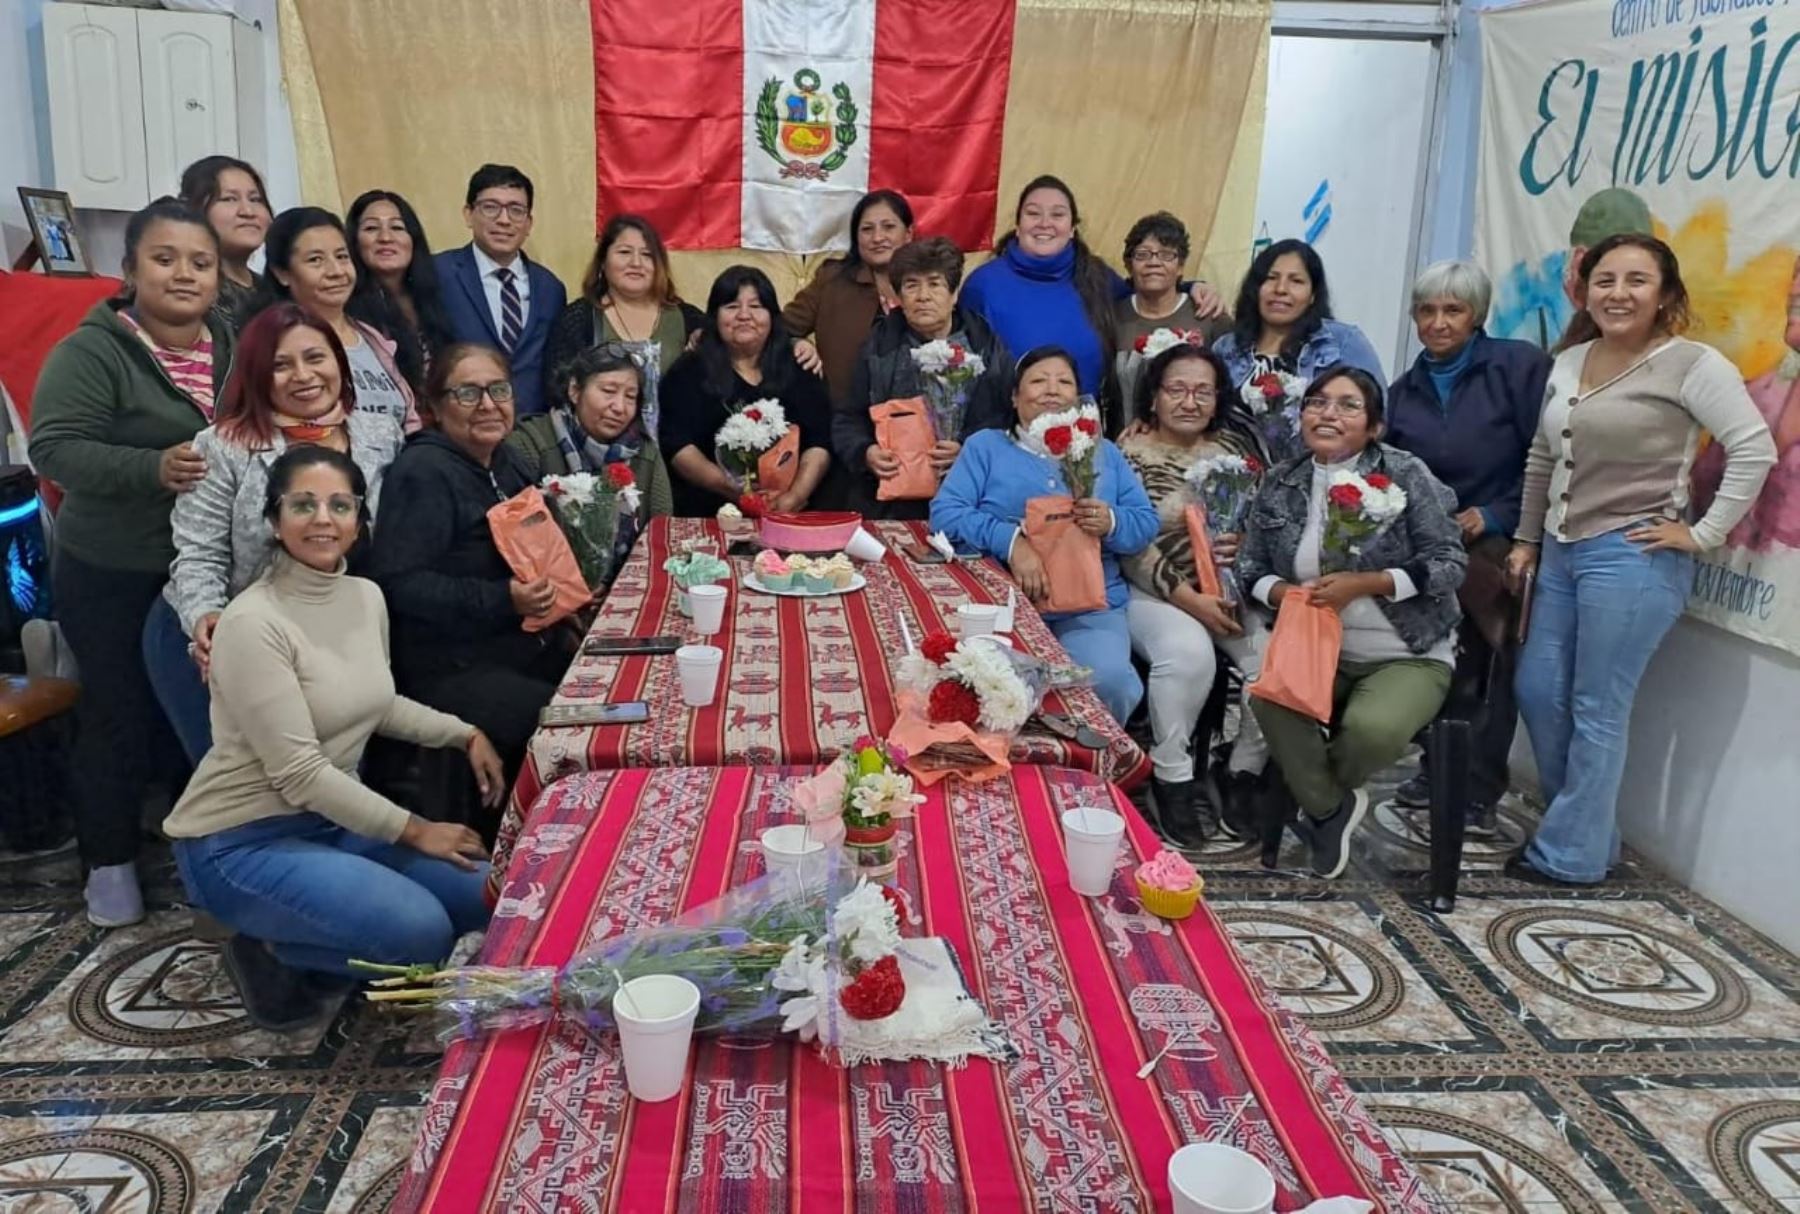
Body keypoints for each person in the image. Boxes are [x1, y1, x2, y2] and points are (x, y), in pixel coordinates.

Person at [164, 445, 500, 1031]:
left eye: (340, 504)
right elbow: (298, 772)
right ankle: (269, 946)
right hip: (244, 841)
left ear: (359, 520)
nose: (323, 518)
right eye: (304, 504)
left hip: (336, 824)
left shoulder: (364, 597)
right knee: (420, 935)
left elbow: (374, 701)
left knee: (489, 897)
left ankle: (323, 929)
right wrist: (418, 830)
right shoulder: (252, 623)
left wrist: (465, 733)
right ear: (273, 519)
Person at [1507, 234, 1776, 887]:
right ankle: (1590, 835)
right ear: (1586, 289)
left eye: (1636, 281)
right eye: (1606, 280)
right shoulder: (1570, 360)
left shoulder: (1691, 364)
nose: (1618, 294)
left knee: (1599, 706)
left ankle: (1569, 855)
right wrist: (1526, 539)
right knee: (1538, 690)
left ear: (1665, 295)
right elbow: (1545, 457)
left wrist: (1704, 533)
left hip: (1632, 559)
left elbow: (1754, 449)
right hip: (1564, 553)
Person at [30, 198, 236, 927]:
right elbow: (52, 449)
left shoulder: (232, 340)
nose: (184, 274)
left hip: (205, 566)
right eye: (165, 258)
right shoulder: (95, 350)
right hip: (115, 566)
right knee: (118, 714)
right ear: (130, 270)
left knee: (202, 708)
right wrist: (152, 467)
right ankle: (108, 865)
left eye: (200, 262)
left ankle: (204, 854)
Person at [145, 304, 407, 764]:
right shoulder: (223, 445)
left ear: (339, 363)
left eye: (315, 357)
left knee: (335, 780)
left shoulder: (380, 434)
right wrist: (206, 617)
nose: (303, 375)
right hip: (222, 635)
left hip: (327, 639)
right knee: (241, 790)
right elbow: (198, 554)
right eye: (281, 365)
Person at [1239, 367, 1467, 879]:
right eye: (1317, 402)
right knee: (1267, 697)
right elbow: (1248, 569)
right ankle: (1330, 809)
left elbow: (1450, 565)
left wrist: (1368, 584)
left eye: (1347, 406)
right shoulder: (1281, 481)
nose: (1328, 414)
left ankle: (1315, 798)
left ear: (1374, 427)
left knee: (1373, 730)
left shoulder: (1405, 475)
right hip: (1317, 648)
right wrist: (1283, 593)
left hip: (1406, 650)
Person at [1384, 260, 1551, 837]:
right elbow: (1393, 474)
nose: (1438, 322)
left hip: (1503, 542)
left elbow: (1546, 454)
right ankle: (1436, 769)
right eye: (1427, 310)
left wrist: (1498, 515)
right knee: (1439, 659)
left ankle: (1477, 787)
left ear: (1476, 314)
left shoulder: (1518, 368)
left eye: (1452, 310)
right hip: (1433, 545)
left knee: (1491, 664)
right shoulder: (1401, 394)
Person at [369, 344, 568, 800]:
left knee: (614, 686)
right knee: (568, 717)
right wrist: (504, 599)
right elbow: (399, 584)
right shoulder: (424, 472)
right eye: (468, 393)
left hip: (519, 646)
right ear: (435, 406)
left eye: (499, 389)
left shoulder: (508, 459)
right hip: (453, 667)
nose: (488, 405)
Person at [931, 346, 1159, 724]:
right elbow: (945, 513)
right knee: (986, 686)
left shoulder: (1103, 453)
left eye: (1064, 382)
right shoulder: (986, 447)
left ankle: (1089, 773)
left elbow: (1144, 524)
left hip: (1088, 607)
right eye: (1038, 380)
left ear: (1079, 399)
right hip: (1000, 601)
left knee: (1110, 681)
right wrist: (1012, 541)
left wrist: (1111, 522)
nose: (1052, 390)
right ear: (1015, 396)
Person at [1120, 342, 1268, 846]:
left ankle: (1240, 772)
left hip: (1228, 591)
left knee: (1274, 665)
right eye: (1177, 389)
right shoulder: (1127, 455)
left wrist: (1246, 545)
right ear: (1154, 398)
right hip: (1154, 593)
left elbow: (1267, 527)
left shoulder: (1236, 455)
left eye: (1203, 391)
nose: (1190, 401)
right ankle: (1172, 776)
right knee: (1188, 655)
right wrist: (1190, 600)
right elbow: (1128, 546)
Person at [959, 176, 1223, 426]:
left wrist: (1190, 287)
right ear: (1017, 226)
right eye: (1033, 213)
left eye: (1058, 214)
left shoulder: (1097, 277)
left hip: (1084, 438)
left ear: (1072, 228)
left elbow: (1145, 294)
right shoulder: (982, 286)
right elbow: (964, 368)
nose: (1044, 223)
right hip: (1007, 434)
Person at [836, 236, 1012, 518]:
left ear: (954, 295)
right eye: (911, 285)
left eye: (934, 283)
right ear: (898, 297)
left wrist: (969, 449)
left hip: (973, 498)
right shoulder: (879, 347)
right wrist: (865, 453)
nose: (923, 296)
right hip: (891, 504)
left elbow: (1008, 421)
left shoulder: (985, 345)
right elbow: (848, 418)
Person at [659, 267, 833, 517]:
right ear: (715, 316)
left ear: (772, 316)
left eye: (756, 306)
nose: (744, 315)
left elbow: (820, 441)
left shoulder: (799, 366)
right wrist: (737, 492)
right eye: (731, 306)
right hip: (712, 511)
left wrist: (795, 496)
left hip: (790, 511)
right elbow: (677, 445)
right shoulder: (688, 370)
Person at [508, 340, 674, 581]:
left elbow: (661, 531)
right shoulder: (530, 443)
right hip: (547, 590)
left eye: (631, 397)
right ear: (575, 390)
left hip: (625, 586)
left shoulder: (644, 452)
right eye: (608, 391)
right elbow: (516, 534)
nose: (619, 407)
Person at [1212, 239, 1386, 465]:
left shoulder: (1343, 342)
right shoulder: (1227, 348)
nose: (1280, 290)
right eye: (1271, 278)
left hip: (1320, 475)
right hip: (1235, 478)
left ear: (1313, 294)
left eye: (1296, 281)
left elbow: (1376, 417)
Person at [544, 214, 706, 445]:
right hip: (595, 456)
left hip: (678, 456)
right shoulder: (578, 319)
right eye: (624, 252)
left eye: (647, 255)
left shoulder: (690, 319)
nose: (636, 263)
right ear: (603, 261)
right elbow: (557, 391)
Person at [262, 207, 420, 434]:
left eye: (342, 256)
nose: (336, 271)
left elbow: (409, 419)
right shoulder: (274, 343)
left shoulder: (371, 335)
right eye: (316, 260)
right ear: (282, 273)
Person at [435, 164, 567, 414]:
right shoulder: (439, 274)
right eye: (491, 207)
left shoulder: (551, 288)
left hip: (530, 432)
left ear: (528, 223)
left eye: (516, 210)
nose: (504, 220)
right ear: (468, 214)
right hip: (460, 426)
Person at [1692, 251, 1800, 552]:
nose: (1793, 291)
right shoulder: (1755, 393)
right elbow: (1699, 488)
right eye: (1796, 275)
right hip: (1723, 584)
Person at [784, 189, 913, 403]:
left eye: (889, 227)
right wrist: (797, 342)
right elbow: (780, 329)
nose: (878, 237)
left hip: (913, 419)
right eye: (867, 229)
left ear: (908, 234)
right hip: (841, 418)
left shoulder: (927, 281)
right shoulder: (832, 280)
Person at [1113, 211, 1232, 411]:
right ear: (1129, 265)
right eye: (1142, 255)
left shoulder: (1208, 313)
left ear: (1180, 266)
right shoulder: (1111, 317)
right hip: (1124, 437)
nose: (1154, 262)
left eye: (1166, 255)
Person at [346, 189, 455, 391]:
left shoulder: (436, 297)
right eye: (371, 228)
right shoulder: (347, 308)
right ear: (354, 242)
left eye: (397, 227)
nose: (385, 237)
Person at [179, 155, 272, 331]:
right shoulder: (191, 290)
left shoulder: (272, 288)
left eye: (255, 199)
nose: (248, 211)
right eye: (230, 199)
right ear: (196, 209)